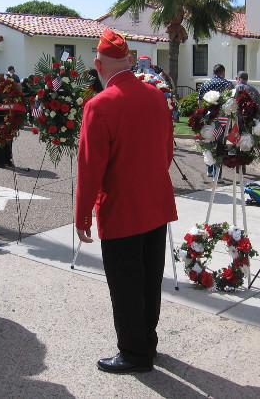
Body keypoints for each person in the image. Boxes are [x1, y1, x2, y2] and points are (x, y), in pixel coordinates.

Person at [75, 29, 178, 374]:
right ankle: (147, 342)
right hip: (156, 202)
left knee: (126, 285)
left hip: (121, 207)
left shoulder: (99, 105)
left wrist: (82, 215)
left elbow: (90, 167)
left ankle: (135, 353)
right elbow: (167, 151)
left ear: (98, 65)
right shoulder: (156, 96)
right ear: (130, 61)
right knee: (149, 280)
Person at [197, 63, 233, 180]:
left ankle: (209, 169)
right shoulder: (228, 84)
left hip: (208, 118)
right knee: (219, 145)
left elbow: (199, 102)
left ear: (213, 72)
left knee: (208, 142)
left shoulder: (205, 84)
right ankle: (217, 174)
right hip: (222, 119)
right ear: (223, 72)